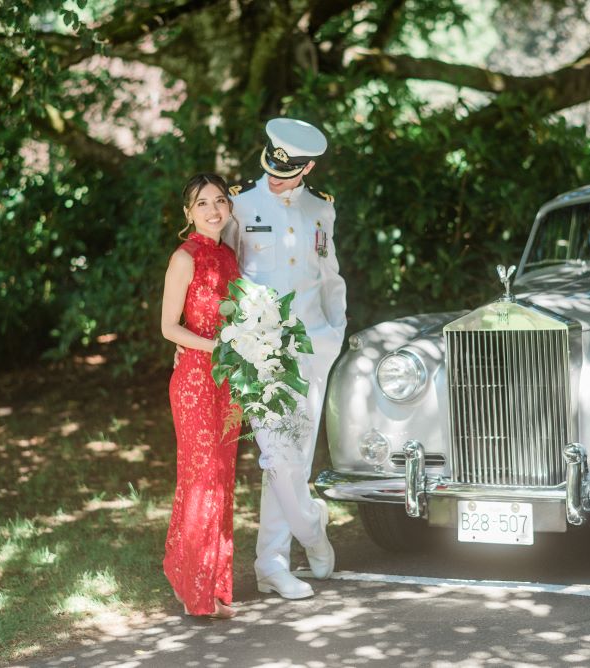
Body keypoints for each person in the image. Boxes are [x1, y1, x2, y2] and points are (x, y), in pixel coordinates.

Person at [224, 118, 347, 600]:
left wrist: (334, 335)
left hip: (314, 345)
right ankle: (308, 531)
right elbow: (228, 274)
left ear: (308, 167)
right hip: (262, 352)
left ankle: (275, 560)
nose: (276, 177)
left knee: (295, 455)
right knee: (278, 457)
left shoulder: (322, 209)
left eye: (287, 171)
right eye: (271, 167)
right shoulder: (241, 203)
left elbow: (330, 276)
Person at [161, 173, 242, 619]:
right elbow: (169, 327)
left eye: (220, 201)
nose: (214, 210)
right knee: (200, 480)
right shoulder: (184, 257)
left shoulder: (229, 257)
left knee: (222, 480)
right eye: (203, 203)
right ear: (188, 213)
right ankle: (194, 587)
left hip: (229, 382)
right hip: (195, 381)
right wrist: (219, 348)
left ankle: (204, 579)